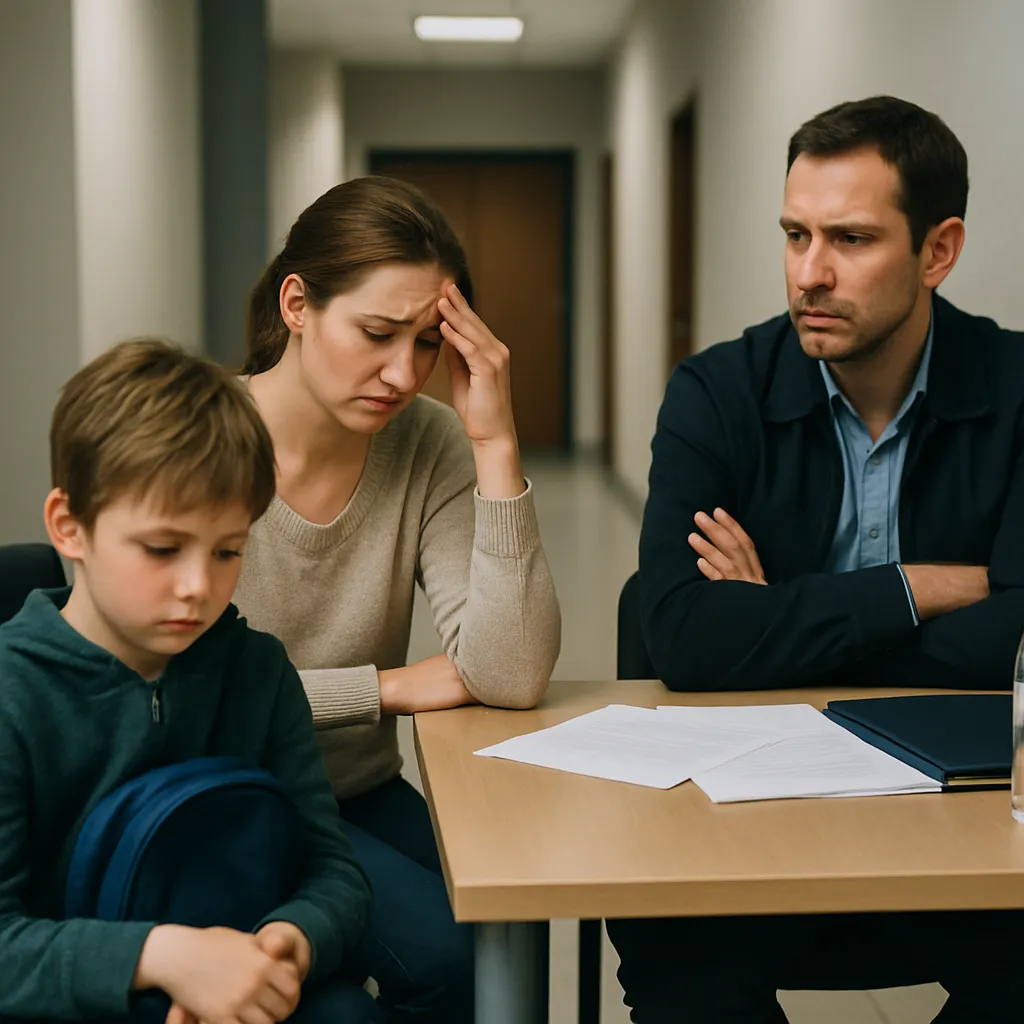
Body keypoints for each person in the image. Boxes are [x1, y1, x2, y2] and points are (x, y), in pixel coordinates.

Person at [612, 97, 1024, 1022]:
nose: (810, 273)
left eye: (851, 239)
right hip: (740, 820)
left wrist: (780, 619)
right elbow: (682, 633)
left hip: (964, 817)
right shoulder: (717, 391)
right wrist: (915, 590)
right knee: (678, 964)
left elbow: (1020, 643)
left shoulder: (1017, 390)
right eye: (795, 235)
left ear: (938, 250)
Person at [237, 175, 561, 1022]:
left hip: (358, 787)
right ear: (298, 304)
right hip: (235, 789)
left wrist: (494, 440)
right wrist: (381, 689)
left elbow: (509, 671)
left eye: (426, 344)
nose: (402, 374)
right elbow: (175, 694)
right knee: (450, 961)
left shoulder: (425, 439)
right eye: (378, 334)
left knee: (514, 928)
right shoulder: (200, 438)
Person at [0, 340, 375, 1023]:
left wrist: (284, 946)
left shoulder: (258, 671)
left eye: (228, 550)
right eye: (163, 549)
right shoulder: (12, 695)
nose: (199, 586)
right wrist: (164, 957)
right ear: (69, 527)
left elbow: (331, 870)